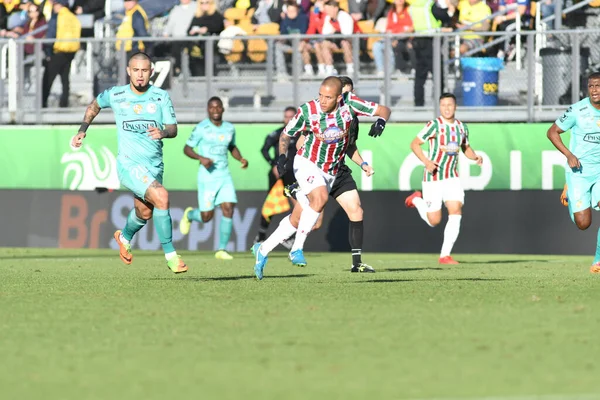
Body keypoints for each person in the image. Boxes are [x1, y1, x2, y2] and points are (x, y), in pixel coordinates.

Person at [251, 76, 391, 280]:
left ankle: (263, 250)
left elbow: (384, 110)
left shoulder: (350, 103)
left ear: (338, 97)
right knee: (320, 198)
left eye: (328, 97)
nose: (323, 101)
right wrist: (282, 156)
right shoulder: (309, 110)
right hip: (307, 162)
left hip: (333, 170)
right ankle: (296, 249)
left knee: (298, 218)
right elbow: (286, 134)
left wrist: (381, 121)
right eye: (320, 96)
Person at [70, 52, 187, 273]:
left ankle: (124, 237)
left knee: (145, 212)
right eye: (136, 70)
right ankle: (171, 256)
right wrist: (82, 131)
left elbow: (173, 129)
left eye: (144, 71)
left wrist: (162, 132)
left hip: (154, 165)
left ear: (151, 72)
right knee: (162, 196)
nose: (140, 75)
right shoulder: (116, 95)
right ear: (128, 71)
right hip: (129, 164)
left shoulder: (161, 97)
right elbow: (93, 107)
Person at [280, 76, 378, 273]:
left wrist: (363, 164)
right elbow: (301, 141)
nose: (347, 97)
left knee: (357, 211)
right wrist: (304, 169)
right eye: (344, 93)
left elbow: (350, 147)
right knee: (314, 222)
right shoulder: (318, 113)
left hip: (339, 170)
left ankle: (356, 263)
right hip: (317, 169)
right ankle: (296, 194)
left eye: (350, 93)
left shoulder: (351, 118)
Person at [404, 93, 483, 264]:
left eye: (450, 105)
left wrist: (475, 157)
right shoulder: (434, 125)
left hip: (452, 177)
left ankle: (444, 255)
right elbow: (414, 144)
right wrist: (426, 161)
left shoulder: (462, 127)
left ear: (455, 107)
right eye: (443, 105)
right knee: (434, 220)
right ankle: (417, 199)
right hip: (433, 178)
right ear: (440, 107)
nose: (447, 108)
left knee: (455, 210)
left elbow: (465, 147)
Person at [179, 97, 249, 260]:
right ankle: (189, 215)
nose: (215, 110)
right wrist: (201, 158)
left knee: (228, 207)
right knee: (206, 217)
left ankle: (221, 250)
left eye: (218, 107)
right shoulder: (201, 128)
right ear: (208, 110)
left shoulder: (229, 128)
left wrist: (241, 159)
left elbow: (232, 146)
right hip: (207, 177)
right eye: (212, 107)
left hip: (224, 175)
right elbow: (187, 148)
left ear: (223, 109)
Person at [548, 73, 600, 273]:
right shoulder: (578, 110)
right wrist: (569, 155)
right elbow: (552, 132)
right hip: (579, 172)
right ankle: (571, 192)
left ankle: (598, 260)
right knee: (583, 223)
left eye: (598, 85)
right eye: (591, 86)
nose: (595, 89)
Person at [254, 106, 299, 246]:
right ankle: (261, 235)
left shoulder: (301, 135)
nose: (288, 119)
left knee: (299, 204)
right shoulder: (278, 134)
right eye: (286, 117)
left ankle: (290, 236)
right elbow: (264, 149)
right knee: (271, 204)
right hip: (279, 174)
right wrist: (273, 163)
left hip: (295, 174)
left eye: (291, 117)